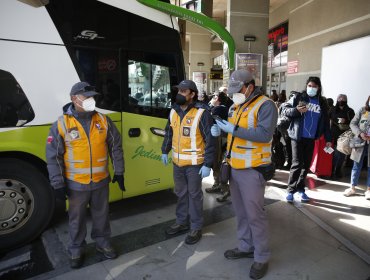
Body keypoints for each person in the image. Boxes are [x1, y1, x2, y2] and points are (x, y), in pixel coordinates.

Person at [46, 82, 125, 269]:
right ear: (74, 99)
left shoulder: (103, 121)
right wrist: (57, 183)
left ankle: (103, 243)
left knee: (101, 215)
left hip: (100, 181)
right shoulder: (62, 123)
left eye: (92, 96)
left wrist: (119, 172)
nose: (91, 100)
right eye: (86, 96)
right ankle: (76, 249)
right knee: (76, 219)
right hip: (76, 184)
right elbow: (53, 156)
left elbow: (116, 147)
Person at [211, 70, 278, 279]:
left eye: (237, 90)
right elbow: (235, 135)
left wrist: (232, 129)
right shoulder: (236, 105)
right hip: (234, 168)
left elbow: (264, 134)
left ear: (250, 86)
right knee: (240, 213)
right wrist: (221, 131)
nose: (233, 95)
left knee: (255, 216)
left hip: (253, 170)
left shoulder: (266, 105)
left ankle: (261, 257)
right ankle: (245, 246)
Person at [161, 80, 215, 245]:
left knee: (194, 195)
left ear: (192, 94)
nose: (180, 94)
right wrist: (164, 150)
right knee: (181, 194)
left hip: (194, 164)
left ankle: (196, 227)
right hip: (177, 163)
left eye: (184, 91)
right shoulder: (174, 111)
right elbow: (168, 133)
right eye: (179, 90)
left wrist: (208, 164)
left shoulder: (202, 113)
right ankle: (182, 222)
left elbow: (211, 140)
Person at [280, 77, 332, 203]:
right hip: (297, 136)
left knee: (306, 165)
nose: (311, 88)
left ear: (318, 87)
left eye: (314, 86)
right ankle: (290, 190)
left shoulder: (322, 102)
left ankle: (300, 188)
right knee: (297, 164)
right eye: (309, 85)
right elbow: (285, 110)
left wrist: (328, 139)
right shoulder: (299, 97)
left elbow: (325, 123)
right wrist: (297, 110)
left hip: (311, 138)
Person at [342, 95, 370, 200]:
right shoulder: (362, 110)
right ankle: (352, 188)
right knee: (356, 165)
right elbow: (353, 123)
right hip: (359, 142)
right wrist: (360, 134)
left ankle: (369, 190)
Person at [205, 91, 230, 202]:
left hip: (218, 140)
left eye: (215, 96)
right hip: (223, 139)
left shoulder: (218, 109)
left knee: (217, 163)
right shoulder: (226, 108)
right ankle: (218, 185)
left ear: (218, 99)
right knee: (218, 163)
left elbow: (210, 122)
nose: (212, 98)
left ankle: (223, 188)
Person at [329, 94, 355, 178]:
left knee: (340, 155)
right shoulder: (332, 109)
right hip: (332, 136)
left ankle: (337, 170)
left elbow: (354, 122)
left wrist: (346, 120)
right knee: (332, 153)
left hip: (344, 138)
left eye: (343, 99)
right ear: (336, 99)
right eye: (339, 98)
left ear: (346, 100)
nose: (341, 100)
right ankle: (332, 170)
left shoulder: (349, 111)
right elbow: (327, 119)